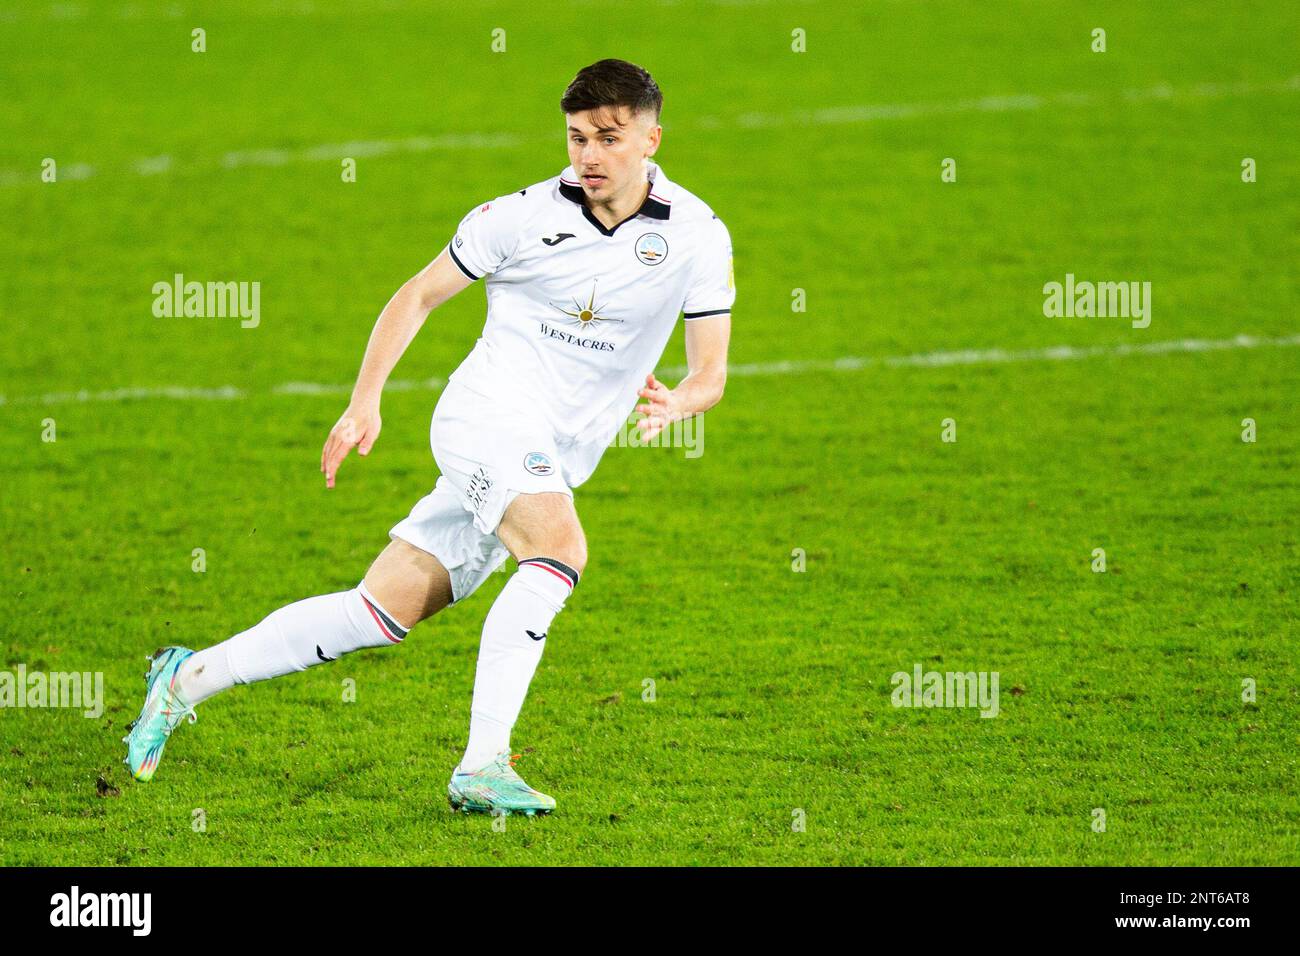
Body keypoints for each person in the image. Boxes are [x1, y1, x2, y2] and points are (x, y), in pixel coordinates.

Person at [123, 58, 735, 816]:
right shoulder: (516, 218)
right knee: (559, 548)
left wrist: (680, 402)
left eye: (609, 138)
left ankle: (184, 679)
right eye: (578, 138)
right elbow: (417, 295)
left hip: (554, 454)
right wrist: (365, 401)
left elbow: (712, 372)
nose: (590, 156)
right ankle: (482, 767)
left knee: (378, 613)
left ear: (651, 138)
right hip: (485, 417)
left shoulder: (700, 237)